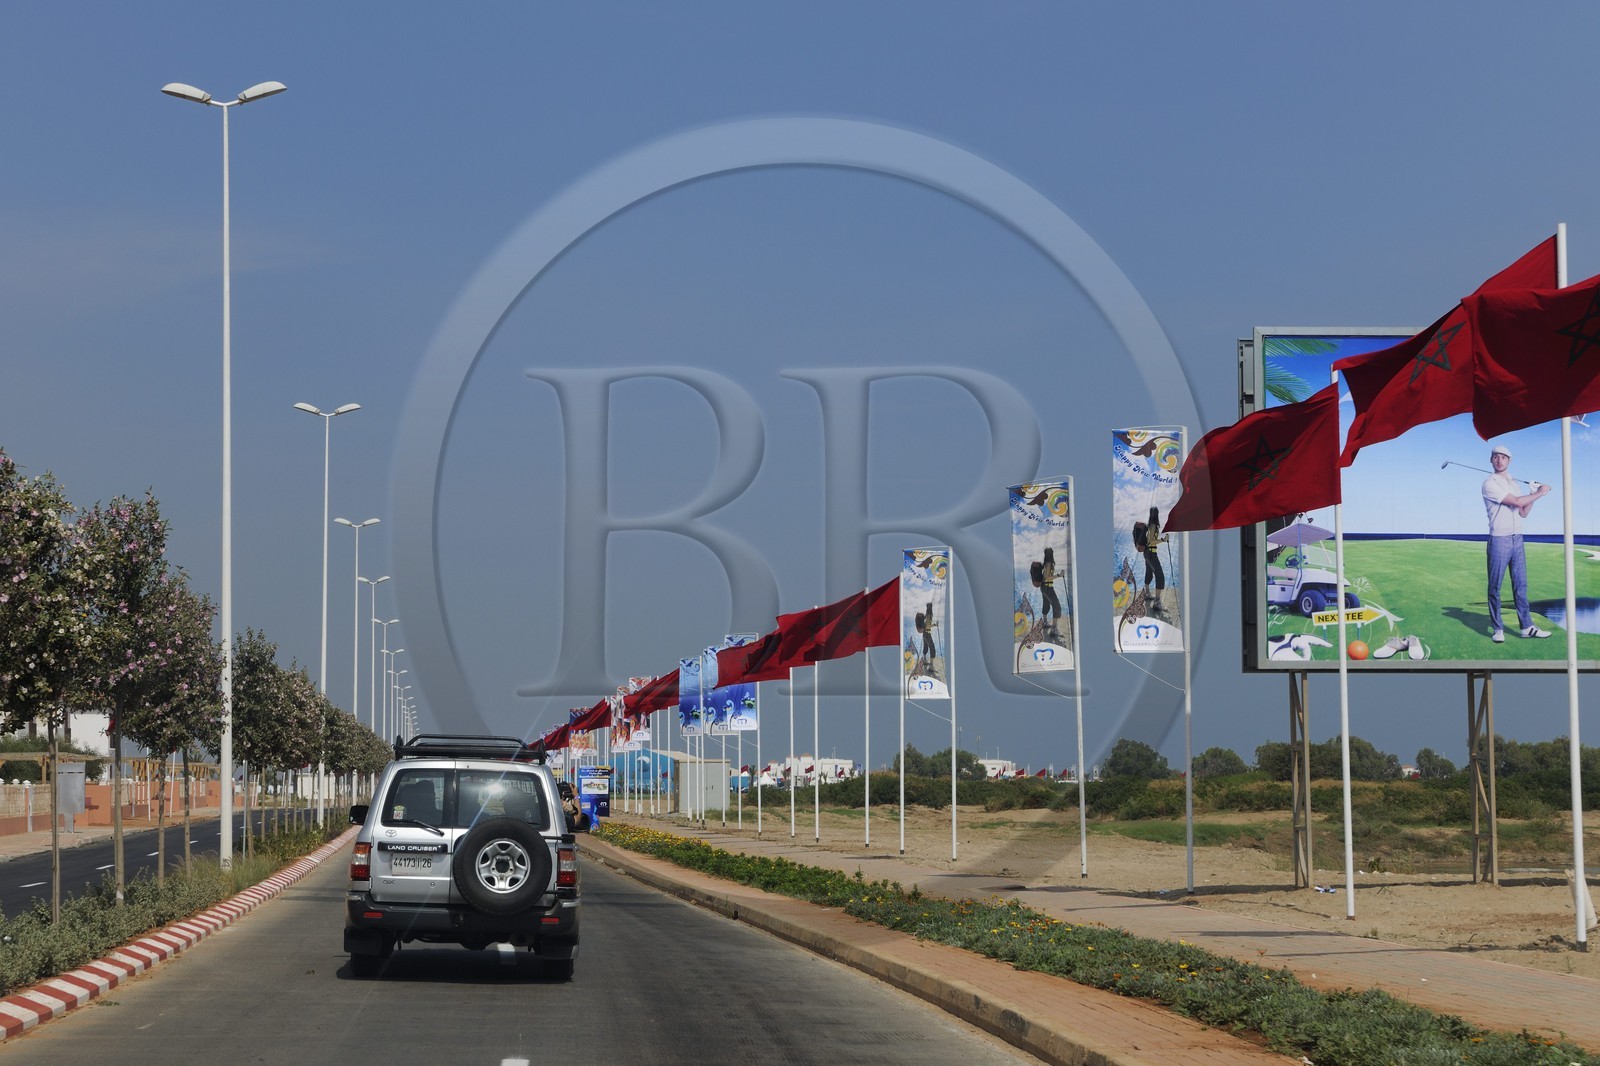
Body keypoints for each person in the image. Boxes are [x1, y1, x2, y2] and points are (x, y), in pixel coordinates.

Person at [1482, 443, 1552, 643]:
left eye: (1503, 457)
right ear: (1491, 460)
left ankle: (1527, 626)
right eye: (1495, 456)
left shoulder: (1514, 485)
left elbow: (1523, 512)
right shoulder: (1489, 484)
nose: (1499, 460)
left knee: (1521, 586)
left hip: (1517, 539)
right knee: (1495, 587)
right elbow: (1517, 502)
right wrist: (1541, 492)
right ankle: (1498, 629)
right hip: (1499, 540)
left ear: (1509, 461)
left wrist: (1532, 496)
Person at [1038, 547, 1063, 638]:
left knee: (1046, 604)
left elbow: (1045, 577)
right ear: (1051, 554)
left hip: (1044, 587)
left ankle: (1045, 622)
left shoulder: (1046, 564)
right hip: (1048, 588)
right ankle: (1054, 629)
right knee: (1057, 606)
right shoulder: (1049, 564)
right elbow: (1048, 577)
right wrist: (1058, 575)